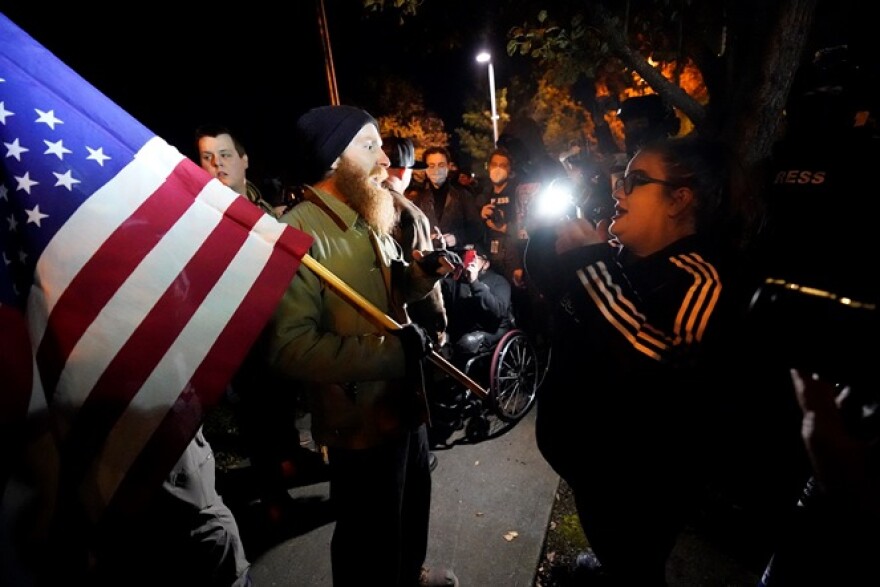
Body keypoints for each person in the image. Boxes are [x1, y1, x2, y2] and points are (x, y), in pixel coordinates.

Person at [525, 135, 760, 585]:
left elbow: (654, 364)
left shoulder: (699, 280)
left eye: (635, 181)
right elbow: (565, 303)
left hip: (639, 490)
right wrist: (548, 243)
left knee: (636, 564)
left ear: (679, 200)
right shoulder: (618, 260)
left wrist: (590, 265)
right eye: (620, 180)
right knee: (613, 552)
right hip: (591, 474)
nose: (618, 191)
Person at [265, 105, 459, 587]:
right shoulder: (298, 234)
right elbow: (290, 347)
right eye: (369, 147)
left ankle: (410, 573)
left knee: (412, 506)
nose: (383, 162)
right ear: (333, 159)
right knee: (367, 538)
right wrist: (390, 353)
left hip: (404, 404)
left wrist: (421, 276)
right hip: (359, 421)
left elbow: (390, 292)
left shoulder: (368, 213)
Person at [383, 135, 448, 473]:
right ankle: (418, 460)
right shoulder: (409, 212)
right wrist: (438, 328)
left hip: (372, 326)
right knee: (412, 401)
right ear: (407, 169)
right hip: (407, 322)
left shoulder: (362, 203)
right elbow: (425, 283)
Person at [195, 123, 277, 217]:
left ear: (244, 161)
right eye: (207, 157)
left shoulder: (266, 209)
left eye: (225, 155)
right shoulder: (202, 215)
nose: (217, 162)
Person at [410, 146, 482, 251]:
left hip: (456, 257)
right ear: (425, 169)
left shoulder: (463, 195)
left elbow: (477, 228)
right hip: (428, 259)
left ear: (448, 167)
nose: (436, 170)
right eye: (431, 165)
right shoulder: (418, 199)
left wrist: (456, 238)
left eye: (441, 165)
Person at [475, 147, 521, 285]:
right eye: (494, 164)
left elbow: (529, 227)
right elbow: (472, 229)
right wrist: (480, 215)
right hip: (490, 259)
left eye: (503, 165)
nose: (498, 169)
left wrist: (506, 228)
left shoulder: (518, 193)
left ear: (510, 169)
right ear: (488, 167)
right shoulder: (482, 196)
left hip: (514, 257)